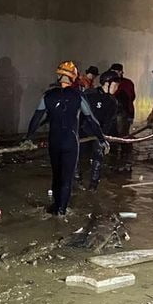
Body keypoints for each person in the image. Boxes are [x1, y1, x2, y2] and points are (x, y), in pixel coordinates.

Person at [23, 61, 108, 217]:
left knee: (56, 175)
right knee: (67, 177)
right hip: (70, 141)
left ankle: (55, 207)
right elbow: (91, 119)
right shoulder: (78, 96)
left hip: (54, 141)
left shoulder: (48, 96)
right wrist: (102, 139)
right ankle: (62, 210)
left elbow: (35, 119)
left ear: (59, 75)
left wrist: (28, 138)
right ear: (74, 77)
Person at [82, 70, 120, 190]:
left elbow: (109, 122)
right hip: (84, 132)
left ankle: (93, 185)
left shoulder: (113, 101)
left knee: (98, 156)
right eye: (115, 85)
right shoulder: (89, 95)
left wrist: (104, 137)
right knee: (79, 157)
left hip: (100, 134)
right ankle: (76, 178)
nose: (117, 88)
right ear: (107, 84)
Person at [108, 63, 136, 164]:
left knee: (123, 135)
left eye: (116, 72)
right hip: (112, 114)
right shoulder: (109, 82)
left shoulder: (127, 83)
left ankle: (125, 158)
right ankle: (114, 157)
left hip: (124, 113)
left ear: (120, 72)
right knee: (112, 135)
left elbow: (131, 98)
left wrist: (130, 115)